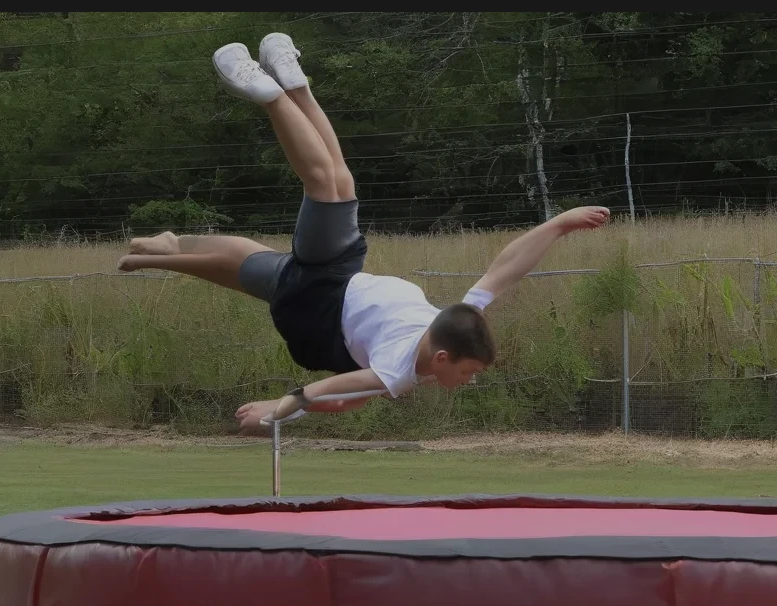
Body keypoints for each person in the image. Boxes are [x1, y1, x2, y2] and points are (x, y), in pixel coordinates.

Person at [116, 33, 611, 435]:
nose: (467, 382)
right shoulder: (454, 321)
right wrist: (558, 223)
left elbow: (332, 393)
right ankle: (165, 247)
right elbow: (506, 268)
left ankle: (270, 93)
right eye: (468, 373)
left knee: (331, 184)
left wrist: (282, 407)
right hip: (315, 293)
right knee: (250, 252)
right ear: (444, 355)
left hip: (323, 296)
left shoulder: (397, 370)